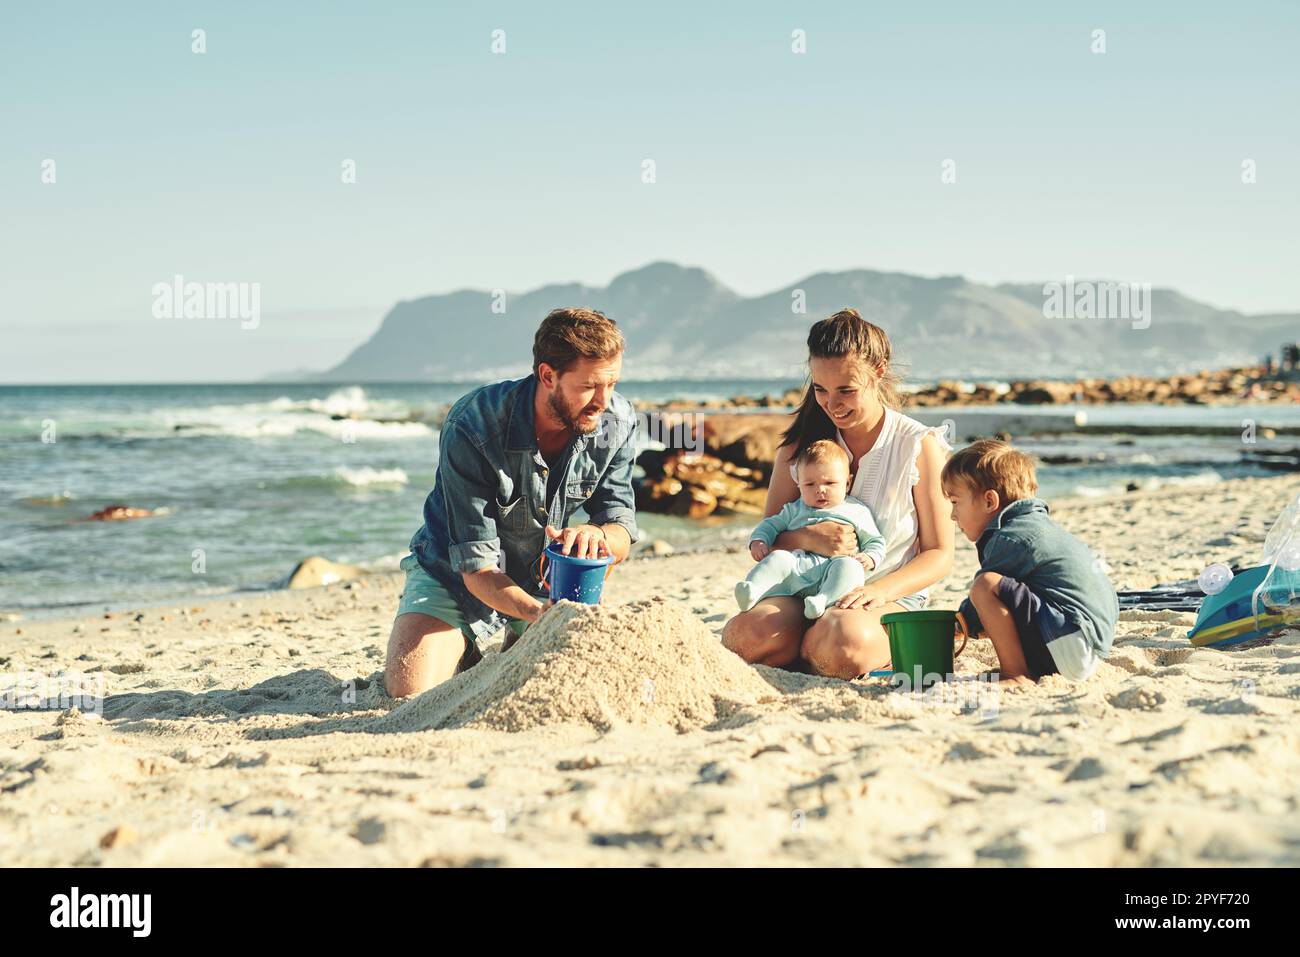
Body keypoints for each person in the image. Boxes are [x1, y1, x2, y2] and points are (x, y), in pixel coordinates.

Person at [383, 307, 640, 698]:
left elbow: (621, 523)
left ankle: (515, 643)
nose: (603, 401)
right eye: (589, 386)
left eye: (612, 384)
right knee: (408, 691)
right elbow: (476, 566)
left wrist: (597, 534)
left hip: (551, 580)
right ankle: (465, 641)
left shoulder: (616, 422)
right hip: (453, 576)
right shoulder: (472, 425)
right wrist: (540, 617)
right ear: (548, 376)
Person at [722, 308, 955, 678]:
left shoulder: (917, 445)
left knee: (842, 641)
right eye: (820, 390)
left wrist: (880, 592)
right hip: (805, 589)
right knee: (743, 636)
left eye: (846, 390)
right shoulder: (799, 450)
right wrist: (806, 537)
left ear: (877, 372)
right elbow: (768, 536)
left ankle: (818, 648)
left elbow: (939, 554)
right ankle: (809, 644)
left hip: (886, 594)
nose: (831, 404)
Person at [943, 439, 1117, 685]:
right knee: (1003, 591)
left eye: (955, 502)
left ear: (989, 501)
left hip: (1071, 646)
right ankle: (1030, 668)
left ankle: (1016, 674)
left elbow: (979, 606)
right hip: (1086, 647)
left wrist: (956, 625)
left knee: (985, 585)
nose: (952, 515)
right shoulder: (1041, 529)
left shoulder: (1012, 538)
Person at [736, 440, 887, 620]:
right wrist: (759, 540)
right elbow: (770, 524)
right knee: (778, 558)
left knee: (851, 567)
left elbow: (875, 540)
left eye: (830, 483)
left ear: (847, 483)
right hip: (797, 569)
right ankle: (754, 589)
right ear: (798, 484)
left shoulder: (856, 511)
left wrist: (870, 557)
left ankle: (821, 601)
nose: (820, 490)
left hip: (833, 571)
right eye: (809, 485)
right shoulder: (794, 509)